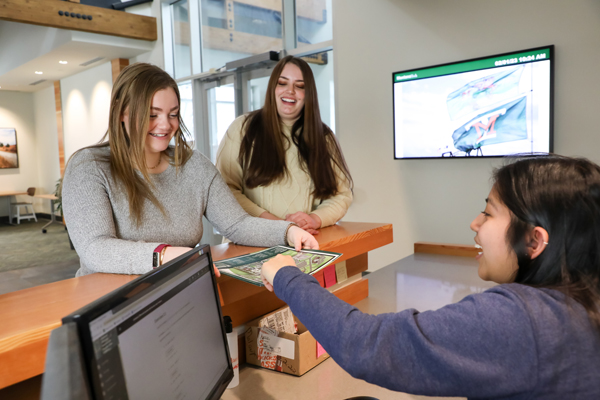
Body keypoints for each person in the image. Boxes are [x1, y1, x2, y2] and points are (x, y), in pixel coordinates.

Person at [261, 155, 600, 399]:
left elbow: (364, 344)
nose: (475, 223)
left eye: (488, 212)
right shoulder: (577, 304)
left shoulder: (523, 320)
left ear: (534, 240)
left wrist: (286, 276)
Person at [62, 63, 317, 277]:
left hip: (179, 290)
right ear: (121, 111)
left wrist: (287, 231)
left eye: (173, 114)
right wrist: (166, 254)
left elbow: (237, 225)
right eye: (152, 115)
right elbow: (95, 250)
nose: (165, 125)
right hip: (110, 305)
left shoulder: (193, 165)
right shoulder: (89, 167)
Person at [216, 55, 353, 235]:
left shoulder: (323, 137)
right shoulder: (242, 129)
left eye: (300, 86)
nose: (290, 91)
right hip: (250, 243)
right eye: (282, 83)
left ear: (308, 94)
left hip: (304, 243)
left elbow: (341, 195)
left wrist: (312, 219)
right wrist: (279, 225)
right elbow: (224, 191)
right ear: (272, 87)